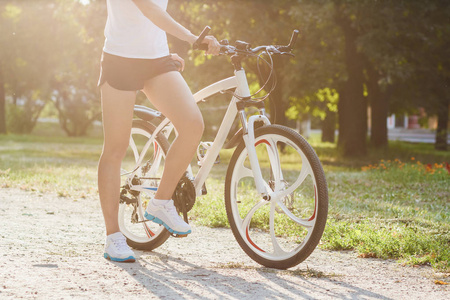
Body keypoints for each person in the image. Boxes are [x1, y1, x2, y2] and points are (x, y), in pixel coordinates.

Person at [98, 0, 220, 262]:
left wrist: (160, 49)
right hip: (120, 59)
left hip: (156, 59)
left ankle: (161, 201)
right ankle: (113, 237)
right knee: (115, 148)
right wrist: (192, 38)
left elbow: (153, 18)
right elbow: (149, 9)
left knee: (192, 125)